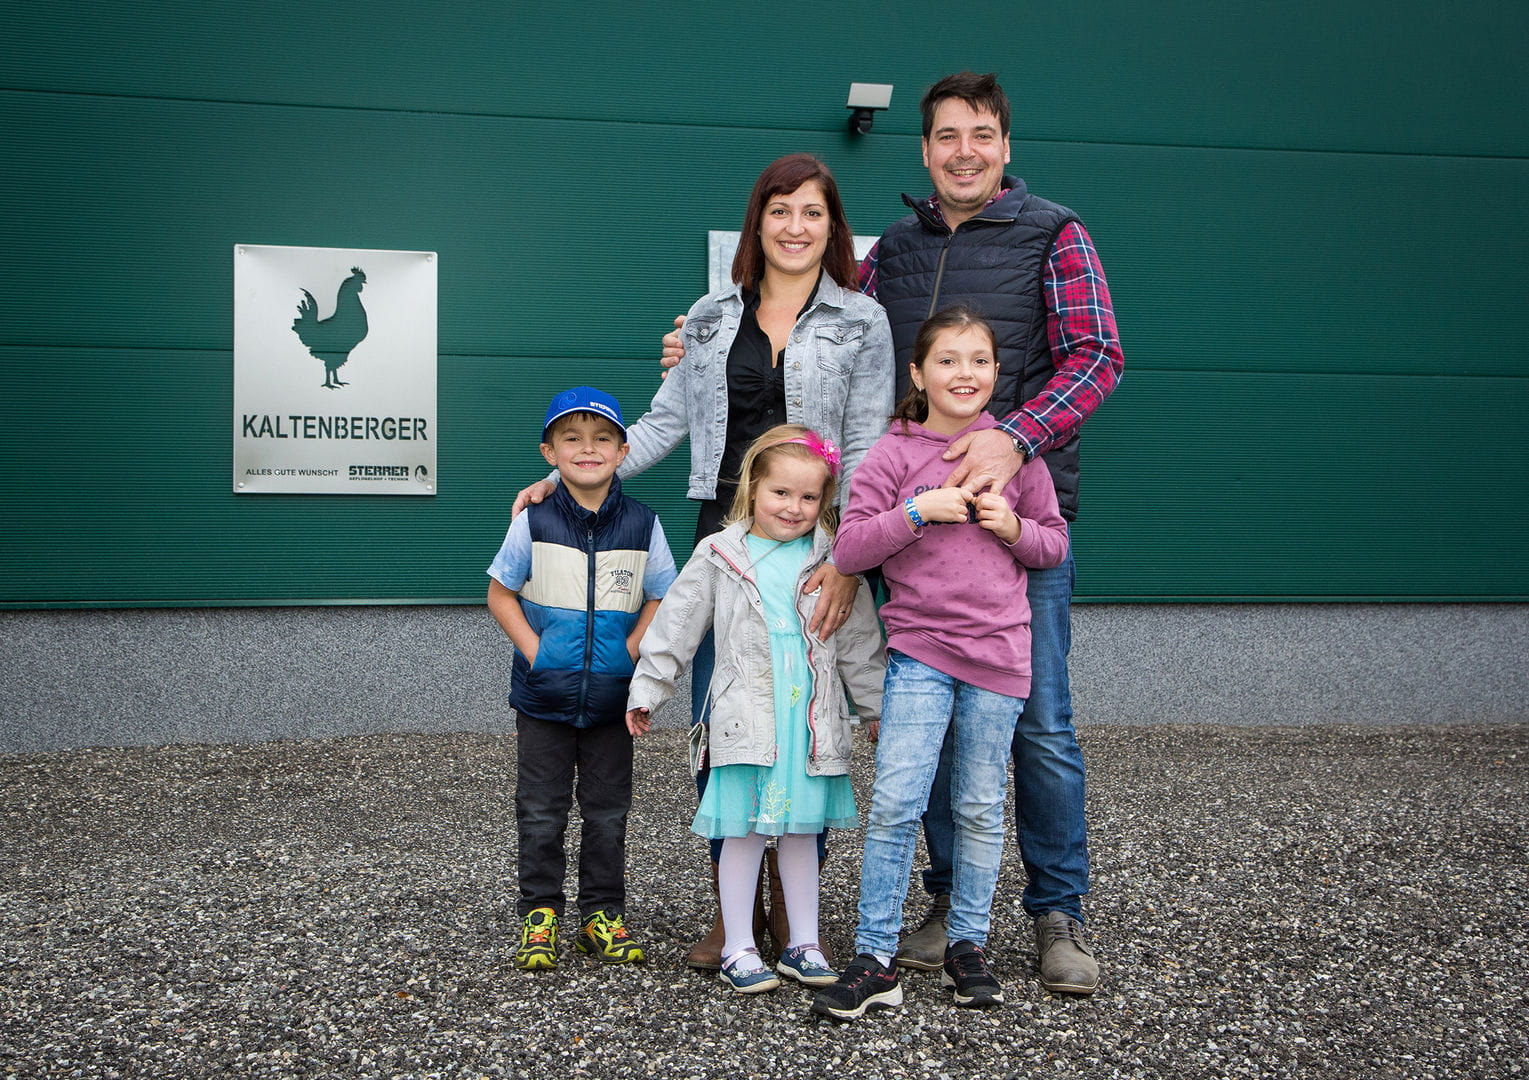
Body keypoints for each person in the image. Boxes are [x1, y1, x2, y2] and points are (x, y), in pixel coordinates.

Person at [663, 72, 1122, 994]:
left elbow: (1096, 357)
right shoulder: (894, 253)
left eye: (981, 135)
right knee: (930, 728)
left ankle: (1056, 913)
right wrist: (694, 348)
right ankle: (947, 906)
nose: (964, 152)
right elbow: (827, 340)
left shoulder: (1054, 234)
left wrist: (1013, 437)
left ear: (1005, 146)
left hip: (1010, 527)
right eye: (947, 136)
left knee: (1038, 726)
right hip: (910, 530)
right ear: (923, 150)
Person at [517, 153, 894, 969]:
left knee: (806, 724)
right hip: (727, 541)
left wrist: (849, 555)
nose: (795, 226)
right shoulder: (709, 316)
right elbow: (661, 422)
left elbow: (867, 444)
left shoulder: (863, 320)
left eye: (812, 212)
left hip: (816, 546)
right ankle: (735, 916)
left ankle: (793, 918)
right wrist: (570, 474)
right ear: (757, 222)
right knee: (724, 725)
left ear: (833, 227)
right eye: (779, 210)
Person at [810, 306, 1069, 1020]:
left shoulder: (1016, 454)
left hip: (999, 655)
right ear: (918, 374)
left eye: (979, 361)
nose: (965, 373)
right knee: (898, 801)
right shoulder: (891, 455)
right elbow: (850, 550)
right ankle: (874, 956)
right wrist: (918, 513)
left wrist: (1013, 528)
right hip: (920, 653)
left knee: (980, 805)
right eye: (948, 360)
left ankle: (967, 947)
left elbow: (1053, 545)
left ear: (997, 373)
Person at [625, 426, 885, 993]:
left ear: (826, 500)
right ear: (752, 488)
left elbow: (859, 642)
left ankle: (804, 943)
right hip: (746, 721)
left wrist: (874, 707)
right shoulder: (720, 554)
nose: (794, 507)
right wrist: (648, 688)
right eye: (781, 493)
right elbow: (677, 624)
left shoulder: (834, 560)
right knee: (741, 832)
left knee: (802, 832)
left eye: (809, 497)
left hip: (808, 725)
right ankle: (738, 945)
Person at [486, 386, 678, 971]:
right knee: (540, 811)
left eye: (602, 439)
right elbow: (500, 594)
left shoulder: (644, 524)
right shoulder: (533, 520)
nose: (587, 449)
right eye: (572, 438)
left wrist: (629, 650)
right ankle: (540, 915)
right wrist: (537, 652)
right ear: (550, 452)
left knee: (608, 812)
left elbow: (662, 595)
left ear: (623, 451)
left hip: (612, 700)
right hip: (543, 698)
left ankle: (601, 916)